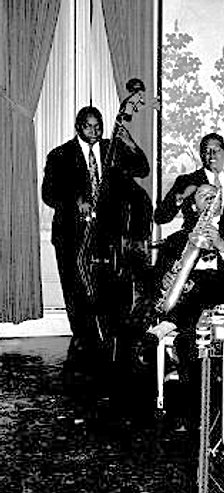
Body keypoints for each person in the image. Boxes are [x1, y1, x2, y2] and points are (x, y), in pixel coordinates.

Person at [41, 105, 150, 362]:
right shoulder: (60, 155)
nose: (94, 131)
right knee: (74, 286)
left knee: (105, 285)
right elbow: (49, 193)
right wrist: (76, 200)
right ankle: (82, 337)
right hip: (71, 232)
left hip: (106, 233)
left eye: (98, 126)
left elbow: (142, 169)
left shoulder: (113, 149)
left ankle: (107, 337)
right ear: (78, 127)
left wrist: (130, 143)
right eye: (88, 126)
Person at [151, 183, 224, 428]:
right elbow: (157, 278)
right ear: (193, 205)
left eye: (214, 195)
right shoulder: (177, 239)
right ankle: (197, 414)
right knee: (188, 341)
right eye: (203, 195)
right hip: (193, 311)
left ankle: (168, 326)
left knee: (206, 285)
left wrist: (222, 244)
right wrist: (167, 278)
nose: (210, 198)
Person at [154, 132, 224, 233]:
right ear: (201, 155)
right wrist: (179, 199)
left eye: (217, 150)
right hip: (193, 243)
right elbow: (160, 217)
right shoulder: (186, 181)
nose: (212, 154)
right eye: (207, 151)